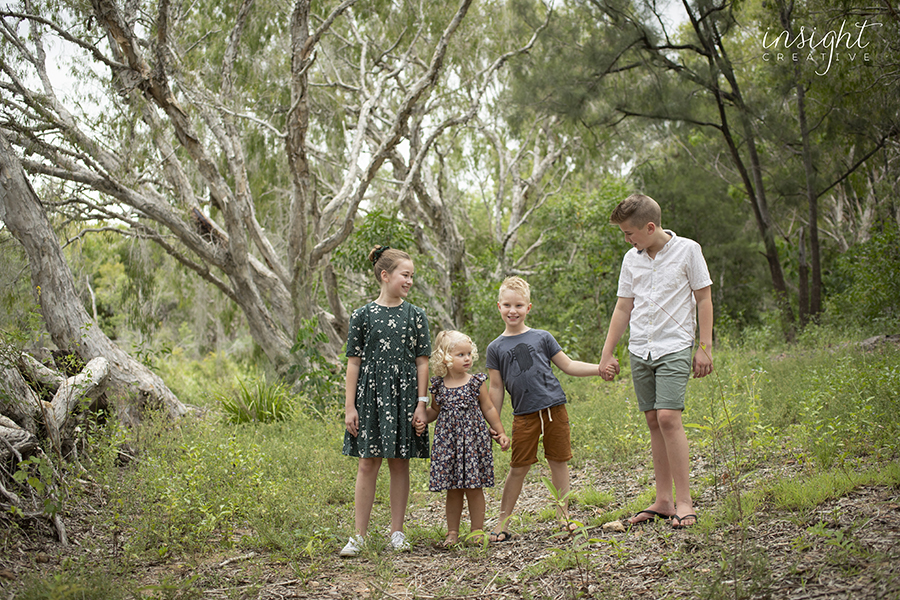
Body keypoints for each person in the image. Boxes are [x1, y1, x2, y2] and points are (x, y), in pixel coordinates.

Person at [599, 193, 713, 530]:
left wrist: (704, 346)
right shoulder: (631, 259)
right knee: (652, 419)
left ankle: (685, 501)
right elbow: (623, 307)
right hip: (640, 349)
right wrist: (608, 351)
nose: (626, 239)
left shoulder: (688, 250)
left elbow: (703, 298)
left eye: (629, 233)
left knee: (668, 417)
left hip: (674, 346)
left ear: (650, 227)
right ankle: (663, 500)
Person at [485, 276, 604, 542]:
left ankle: (564, 517)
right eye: (507, 305)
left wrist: (599, 369)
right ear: (499, 307)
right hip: (524, 415)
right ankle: (502, 523)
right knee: (518, 467)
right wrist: (496, 425)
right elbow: (496, 388)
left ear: (529, 308)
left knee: (558, 461)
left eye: (518, 305)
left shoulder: (542, 337)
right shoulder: (495, 348)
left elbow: (569, 365)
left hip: (554, 408)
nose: (512, 310)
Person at [340, 245, 431, 557]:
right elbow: (353, 362)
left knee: (399, 461)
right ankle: (359, 536)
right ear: (385, 275)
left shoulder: (416, 316)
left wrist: (422, 403)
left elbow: (422, 362)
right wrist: (350, 406)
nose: (409, 280)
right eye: (405, 275)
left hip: (405, 396)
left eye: (411, 276)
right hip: (370, 397)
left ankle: (397, 532)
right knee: (368, 462)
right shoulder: (362, 316)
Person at [417, 330, 511, 547]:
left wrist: (500, 431)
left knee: (474, 487)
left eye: (469, 354)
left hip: (472, 442)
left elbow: (488, 408)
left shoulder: (476, 382)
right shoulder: (438, 386)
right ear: (445, 358)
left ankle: (477, 529)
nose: (467, 358)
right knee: (453, 488)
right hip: (449, 444)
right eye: (460, 354)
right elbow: (434, 411)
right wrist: (422, 418)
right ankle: (452, 532)